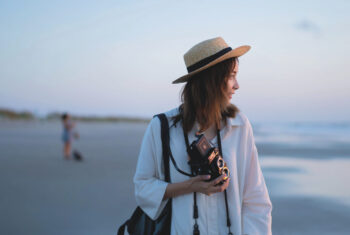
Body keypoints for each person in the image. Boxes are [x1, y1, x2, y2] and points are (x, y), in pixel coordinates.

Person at [133, 37, 272, 235]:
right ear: (211, 81)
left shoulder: (240, 126)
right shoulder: (162, 128)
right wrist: (189, 186)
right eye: (232, 76)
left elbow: (256, 201)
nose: (237, 85)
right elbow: (142, 187)